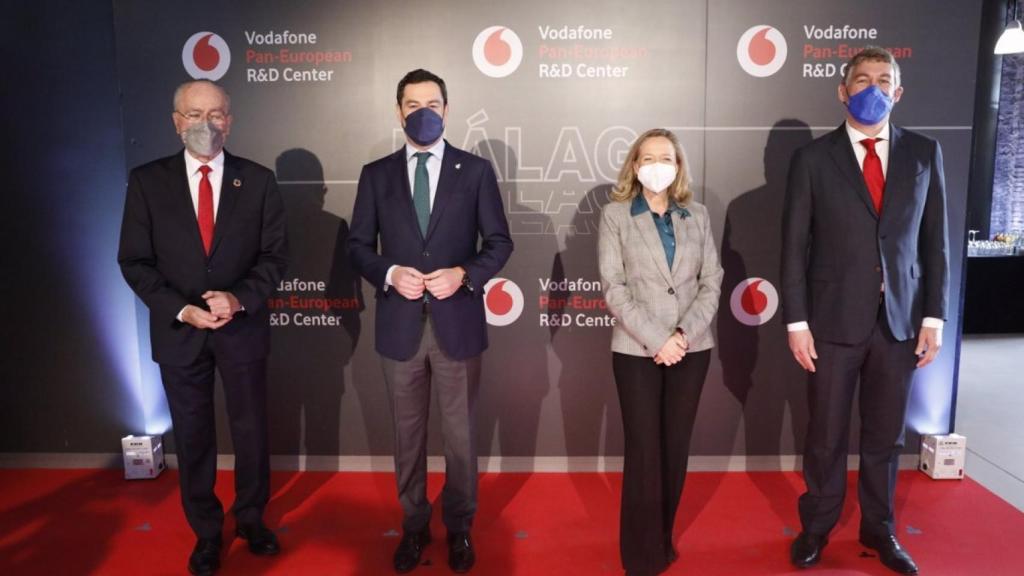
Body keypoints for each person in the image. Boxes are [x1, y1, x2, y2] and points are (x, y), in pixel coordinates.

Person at [782, 47, 948, 575]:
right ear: (843, 90)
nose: (872, 88)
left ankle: (880, 531)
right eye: (862, 80)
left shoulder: (924, 153)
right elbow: (793, 248)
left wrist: (934, 317)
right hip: (830, 323)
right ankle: (816, 528)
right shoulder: (812, 159)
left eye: (883, 80)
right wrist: (796, 321)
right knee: (825, 435)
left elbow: (934, 245)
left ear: (898, 92)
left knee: (884, 437)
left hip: (899, 324)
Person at [118, 80, 288, 576]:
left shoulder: (257, 181)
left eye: (215, 114)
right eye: (194, 114)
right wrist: (181, 309)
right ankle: (207, 533)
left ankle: (252, 519)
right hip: (180, 333)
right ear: (176, 121)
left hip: (242, 330)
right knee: (193, 438)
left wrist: (240, 299)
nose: (205, 124)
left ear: (229, 121)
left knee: (252, 431)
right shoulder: (147, 181)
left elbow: (275, 257)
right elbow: (134, 261)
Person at [347, 69, 513, 574]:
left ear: (447, 108)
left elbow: (499, 243)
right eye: (413, 103)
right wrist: (391, 271)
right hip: (399, 328)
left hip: (456, 325)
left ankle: (460, 526)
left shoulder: (476, 171)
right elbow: (357, 246)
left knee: (461, 437)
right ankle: (414, 525)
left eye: (433, 103)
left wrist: (464, 274)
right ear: (398, 110)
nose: (424, 111)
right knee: (408, 436)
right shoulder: (376, 174)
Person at [598, 128, 723, 576]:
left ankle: (663, 536)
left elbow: (712, 281)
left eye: (665, 157)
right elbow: (614, 288)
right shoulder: (615, 216)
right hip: (636, 350)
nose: (656, 165)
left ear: (678, 165)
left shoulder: (699, 215)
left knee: (675, 448)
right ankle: (640, 555)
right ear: (634, 165)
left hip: (693, 349)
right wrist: (659, 339)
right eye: (647, 157)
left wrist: (684, 335)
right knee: (645, 450)